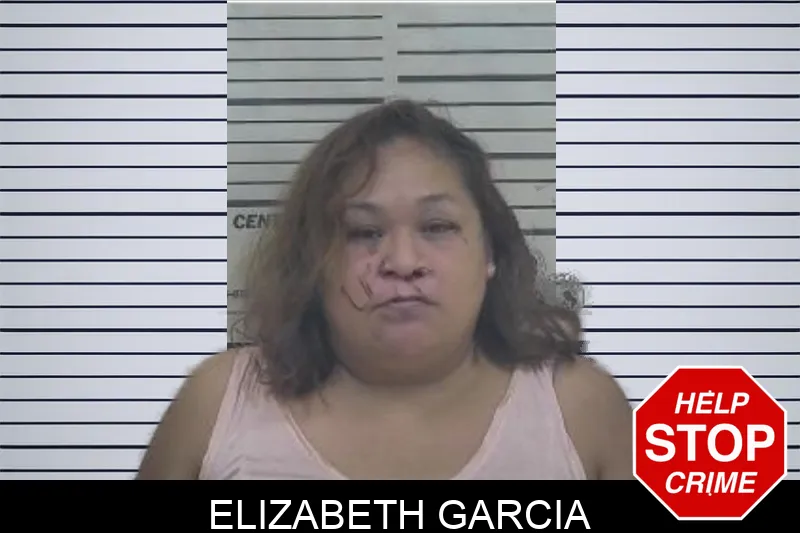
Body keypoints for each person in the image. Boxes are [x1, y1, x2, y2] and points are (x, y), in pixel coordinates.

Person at [136, 99, 632, 480]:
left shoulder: (580, 408)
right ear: (314, 263)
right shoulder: (218, 403)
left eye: (437, 227)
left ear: (490, 254)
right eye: (363, 232)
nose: (403, 262)